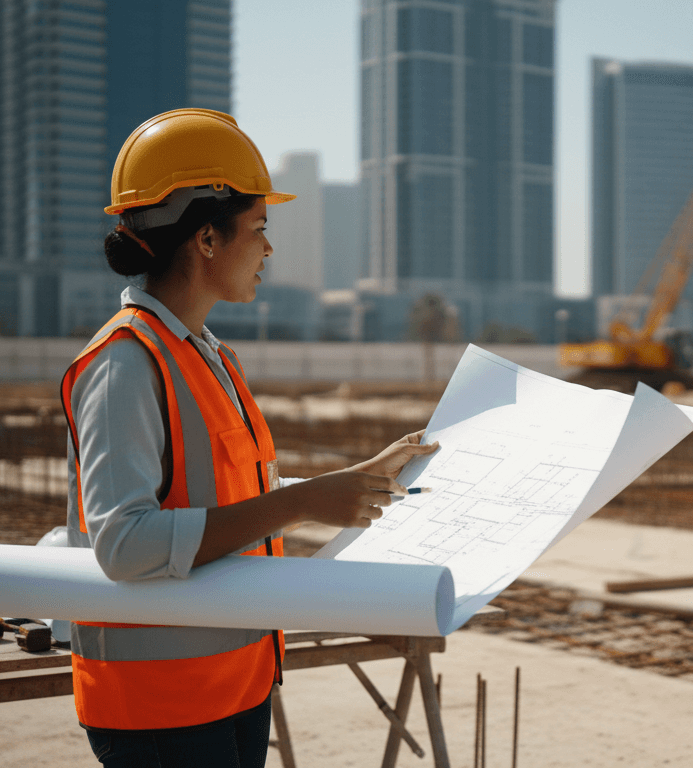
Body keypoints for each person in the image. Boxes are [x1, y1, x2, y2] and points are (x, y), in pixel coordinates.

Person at [59, 108, 438, 767]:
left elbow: (234, 495)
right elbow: (123, 544)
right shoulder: (125, 365)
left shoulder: (209, 357)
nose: (268, 250)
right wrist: (300, 503)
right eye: (259, 230)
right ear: (207, 239)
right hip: (160, 708)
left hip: (236, 684)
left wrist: (352, 483)